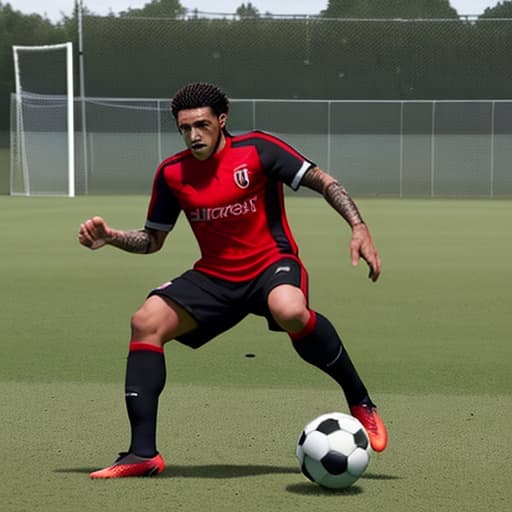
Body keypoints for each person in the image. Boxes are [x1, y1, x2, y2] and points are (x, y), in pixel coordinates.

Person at [79, 82, 387, 479]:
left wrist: (358, 226)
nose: (193, 136)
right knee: (146, 322)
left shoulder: (258, 150)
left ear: (222, 121)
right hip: (214, 277)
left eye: (202, 125)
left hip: (270, 264)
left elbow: (324, 181)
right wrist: (112, 238)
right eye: (185, 128)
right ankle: (142, 454)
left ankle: (359, 398)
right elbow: (152, 240)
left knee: (290, 310)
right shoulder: (172, 174)